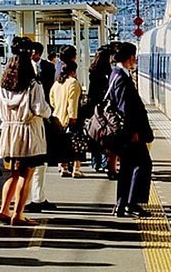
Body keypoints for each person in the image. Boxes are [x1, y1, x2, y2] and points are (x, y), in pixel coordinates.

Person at [0, 50, 51, 226]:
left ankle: (4, 210)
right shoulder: (33, 85)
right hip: (28, 134)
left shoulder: (3, 86)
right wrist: (50, 111)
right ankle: (18, 215)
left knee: (13, 174)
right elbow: (39, 109)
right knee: (26, 175)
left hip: (9, 133)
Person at [108, 42, 154, 218]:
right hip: (130, 134)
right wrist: (133, 132)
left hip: (126, 132)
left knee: (127, 167)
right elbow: (124, 107)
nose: (135, 60)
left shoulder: (116, 74)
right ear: (130, 58)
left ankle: (121, 205)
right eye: (134, 56)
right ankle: (132, 204)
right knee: (142, 165)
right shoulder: (121, 77)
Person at [25, 42, 57, 213]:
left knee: (37, 164)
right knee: (33, 165)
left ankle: (38, 197)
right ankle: (32, 200)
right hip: (33, 123)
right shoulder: (27, 78)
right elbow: (40, 107)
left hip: (32, 124)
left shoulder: (48, 68)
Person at [87, 46, 117, 179]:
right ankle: (106, 163)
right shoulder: (107, 74)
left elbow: (91, 93)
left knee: (95, 135)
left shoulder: (93, 72)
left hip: (94, 108)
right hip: (104, 109)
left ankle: (96, 162)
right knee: (106, 135)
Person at [50, 62, 84, 177]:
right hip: (70, 118)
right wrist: (73, 116)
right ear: (73, 71)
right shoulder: (73, 83)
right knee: (76, 144)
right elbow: (72, 101)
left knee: (62, 144)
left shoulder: (57, 84)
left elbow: (52, 100)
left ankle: (63, 167)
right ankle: (76, 169)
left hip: (57, 118)